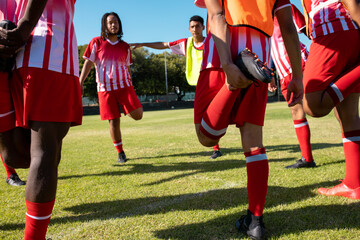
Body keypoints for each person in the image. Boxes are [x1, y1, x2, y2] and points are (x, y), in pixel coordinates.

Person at [194, 0, 303, 239]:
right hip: (257, 56)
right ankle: (256, 223)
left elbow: (217, 14)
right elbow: (288, 26)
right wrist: (297, 75)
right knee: (254, 143)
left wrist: (227, 64)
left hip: (220, 53)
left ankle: (231, 85)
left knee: (205, 136)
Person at [0, 0, 83, 239]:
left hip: (27, 50)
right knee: (36, 154)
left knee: (23, 155)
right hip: (49, 51)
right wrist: (23, 28)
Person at [130, 15, 223, 159]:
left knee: (214, 115)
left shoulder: (211, 42)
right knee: (206, 117)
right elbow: (164, 44)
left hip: (213, 83)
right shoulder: (186, 43)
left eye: (198, 26)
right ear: (189, 28)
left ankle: (218, 147)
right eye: (192, 26)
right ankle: (215, 147)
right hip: (199, 85)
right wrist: (144, 44)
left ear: (203, 27)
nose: (195, 29)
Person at [300, 0, 360, 199]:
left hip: (333, 29)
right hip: (347, 30)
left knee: (312, 104)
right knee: (347, 114)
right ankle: (353, 184)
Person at [79, 12, 143, 163]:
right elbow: (88, 63)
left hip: (124, 87)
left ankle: (123, 107)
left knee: (138, 115)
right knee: (114, 121)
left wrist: (131, 86)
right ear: (105, 25)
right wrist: (80, 82)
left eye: (116, 22)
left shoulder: (125, 46)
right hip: (105, 89)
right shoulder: (96, 42)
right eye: (110, 23)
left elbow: (127, 68)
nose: (114, 25)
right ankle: (120, 152)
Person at [270, 4, 315, 169]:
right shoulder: (260, 15)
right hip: (283, 73)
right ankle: (307, 159)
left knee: (331, 102)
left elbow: (309, 31)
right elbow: (270, 47)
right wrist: (271, 75)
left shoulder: (285, 6)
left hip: (299, 63)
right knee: (296, 110)